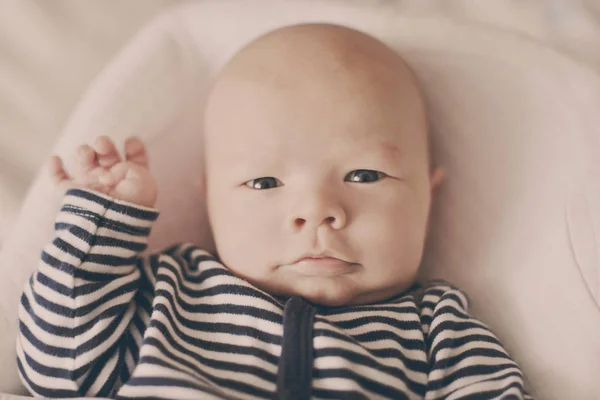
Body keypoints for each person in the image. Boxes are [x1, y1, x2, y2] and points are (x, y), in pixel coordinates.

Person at [16, 23, 532, 399]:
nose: (317, 212)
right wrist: (100, 223)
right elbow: (58, 371)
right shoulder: (168, 298)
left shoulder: (438, 334)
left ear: (428, 195)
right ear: (209, 200)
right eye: (264, 182)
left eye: (365, 176)